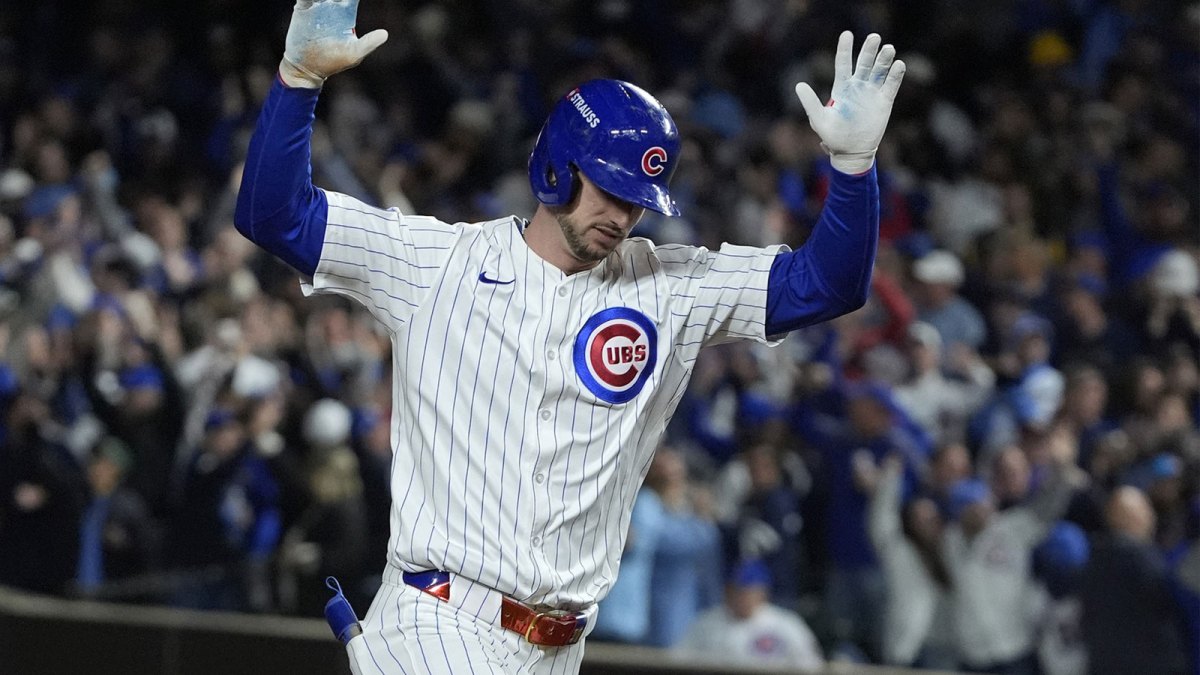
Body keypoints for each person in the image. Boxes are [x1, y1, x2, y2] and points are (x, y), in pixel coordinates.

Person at [233, 0, 906, 671]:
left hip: (560, 647)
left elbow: (829, 285)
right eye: (608, 190)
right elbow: (274, 215)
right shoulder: (434, 263)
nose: (622, 214)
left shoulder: (671, 289)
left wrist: (852, 167)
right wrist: (298, 81)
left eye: (637, 200)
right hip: (439, 621)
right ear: (558, 163)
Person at [675, 559, 825, 671]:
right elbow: (678, 662)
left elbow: (811, 666)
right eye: (736, 590)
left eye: (747, 591)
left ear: (763, 593)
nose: (741, 596)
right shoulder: (706, 623)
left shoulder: (786, 625)